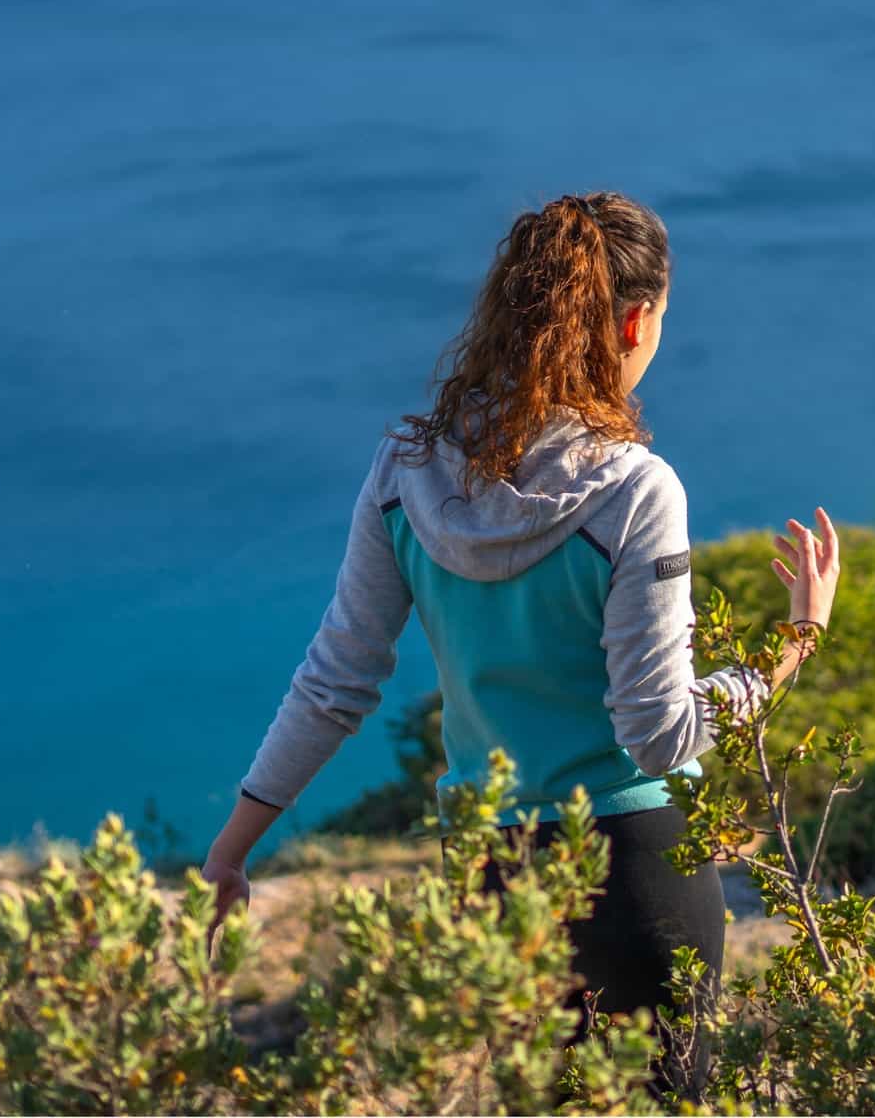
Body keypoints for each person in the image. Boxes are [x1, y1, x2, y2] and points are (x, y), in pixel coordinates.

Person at [202, 192, 840, 1088]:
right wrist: (792, 647)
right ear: (635, 320)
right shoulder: (634, 492)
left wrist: (234, 847)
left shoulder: (405, 472)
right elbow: (657, 733)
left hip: (492, 872)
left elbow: (335, 682)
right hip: (634, 867)